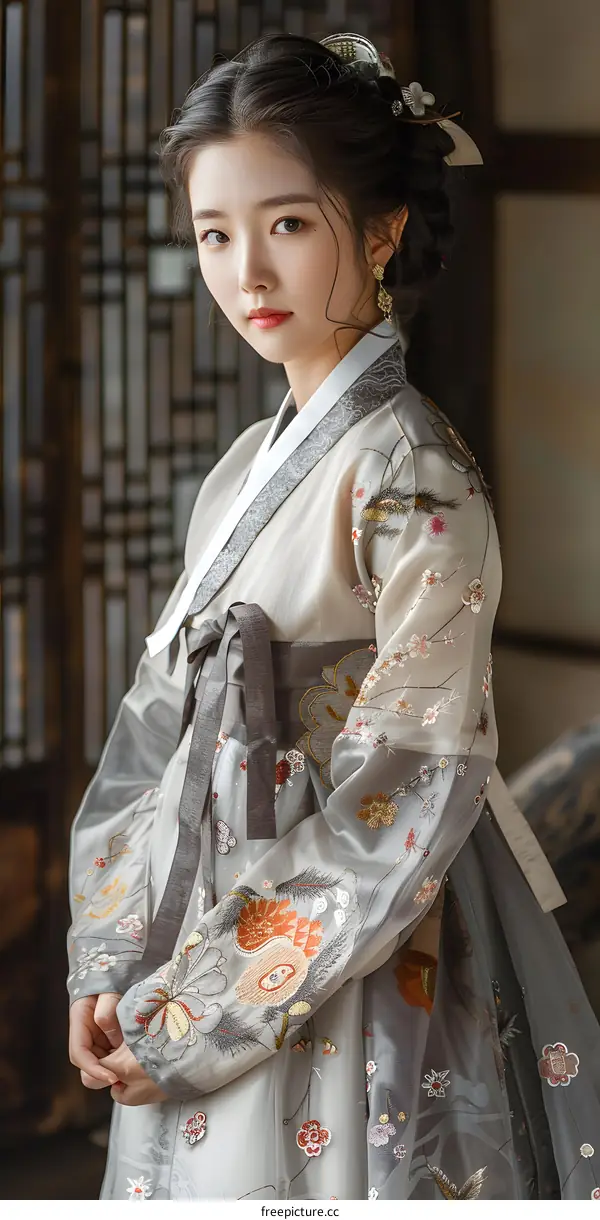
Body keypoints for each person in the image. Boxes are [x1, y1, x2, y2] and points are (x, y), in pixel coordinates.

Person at [66, 32, 600, 1201]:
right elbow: (151, 729)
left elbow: (408, 785)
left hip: (351, 942)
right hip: (205, 925)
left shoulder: (414, 474)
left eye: (289, 224)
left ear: (382, 229)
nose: (246, 272)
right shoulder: (251, 462)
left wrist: (200, 1007)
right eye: (215, 233)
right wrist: (111, 958)